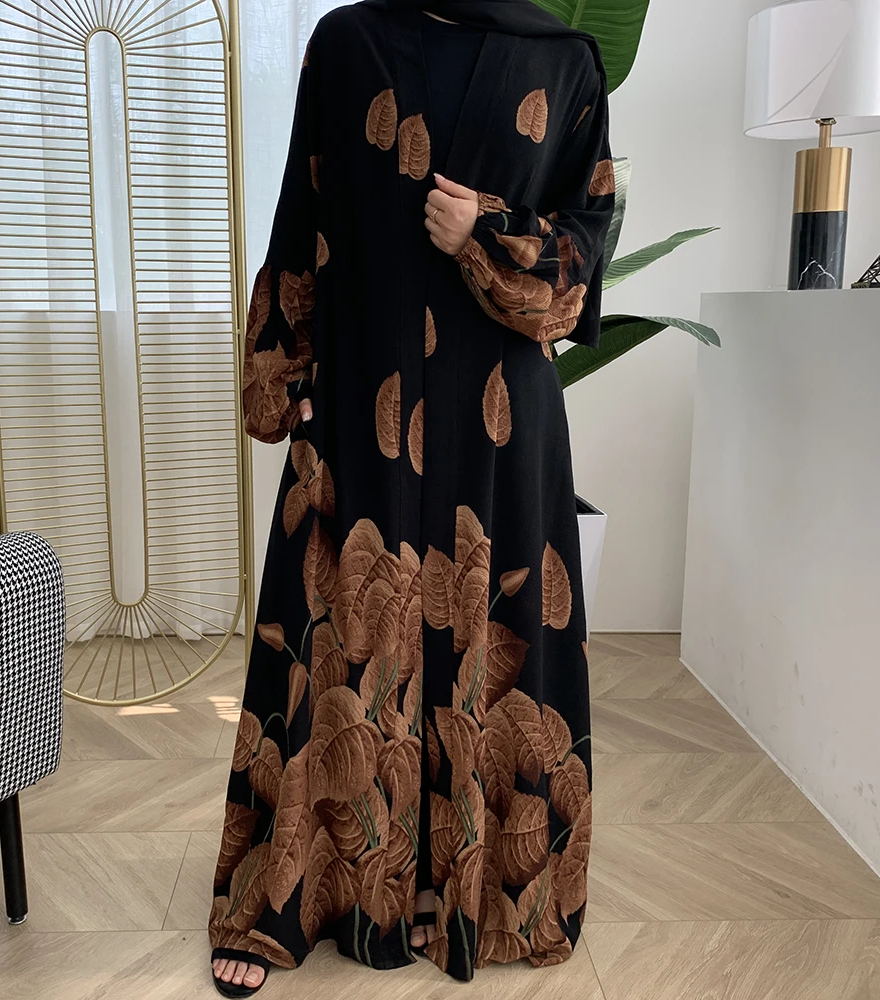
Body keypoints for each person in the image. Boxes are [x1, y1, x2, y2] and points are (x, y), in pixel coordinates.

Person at [209, 0, 614, 993]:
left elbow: (585, 246)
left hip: (501, 419)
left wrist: (489, 230)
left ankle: (470, 887)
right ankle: (313, 889)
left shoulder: (563, 60)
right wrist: (283, 372)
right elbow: (303, 212)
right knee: (344, 631)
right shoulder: (348, 42)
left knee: (494, 637)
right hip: (364, 395)